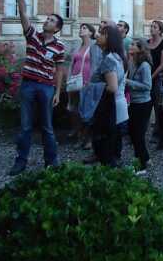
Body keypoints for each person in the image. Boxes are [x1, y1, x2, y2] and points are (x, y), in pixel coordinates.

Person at [8, 0, 66, 176]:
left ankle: (51, 162)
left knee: (47, 127)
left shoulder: (60, 46)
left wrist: (57, 92)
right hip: (29, 85)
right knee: (25, 126)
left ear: (57, 28)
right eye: (47, 18)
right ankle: (20, 161)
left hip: (47, 87)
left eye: (51, 20)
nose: (46, 21)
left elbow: (59, 70)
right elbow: (23, 12)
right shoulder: (32, 35)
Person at [88, 23, 128, 166]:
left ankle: (108, 171)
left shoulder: (109, 59)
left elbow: (112, 87)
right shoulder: (114, 56)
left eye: (102, 34)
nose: (97, 36)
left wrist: (91, 88)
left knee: (105, 143)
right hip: (111, 105)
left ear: (110, 39)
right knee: (109, 141)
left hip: (107, 106)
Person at [65, 23, 102, 145]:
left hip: (87, 81)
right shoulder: (77, 46)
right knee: (73, 108)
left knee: (86, 109)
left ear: (91, 32)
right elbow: (72, 63)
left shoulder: (95, 46)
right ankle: (78, 132)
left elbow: (96, 64)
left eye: (85, 28)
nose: (81, 30)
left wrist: (92, 80)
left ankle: (87, 137)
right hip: (75, 81)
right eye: (81, 28)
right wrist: (69, 78)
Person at [126, 39, 153, 175]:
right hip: (134, 102)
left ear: (140, 49)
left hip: (143, 104)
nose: (129, 46)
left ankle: (141, 165)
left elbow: (148, 86)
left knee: (138, 135)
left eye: (132, 45)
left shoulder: (144, 66)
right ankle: (145, 158)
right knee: (132, 133)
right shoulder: (131, 62)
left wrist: (128, 82)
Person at [148, 20, 163, 150]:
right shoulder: (147, 43)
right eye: (151, 26)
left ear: (160, 30)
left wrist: (152, 76)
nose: (152, 28)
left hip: (157, 79)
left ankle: (158, 133)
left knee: (158, 107)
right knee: (146, 105)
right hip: (147, 78)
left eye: (154, 27)